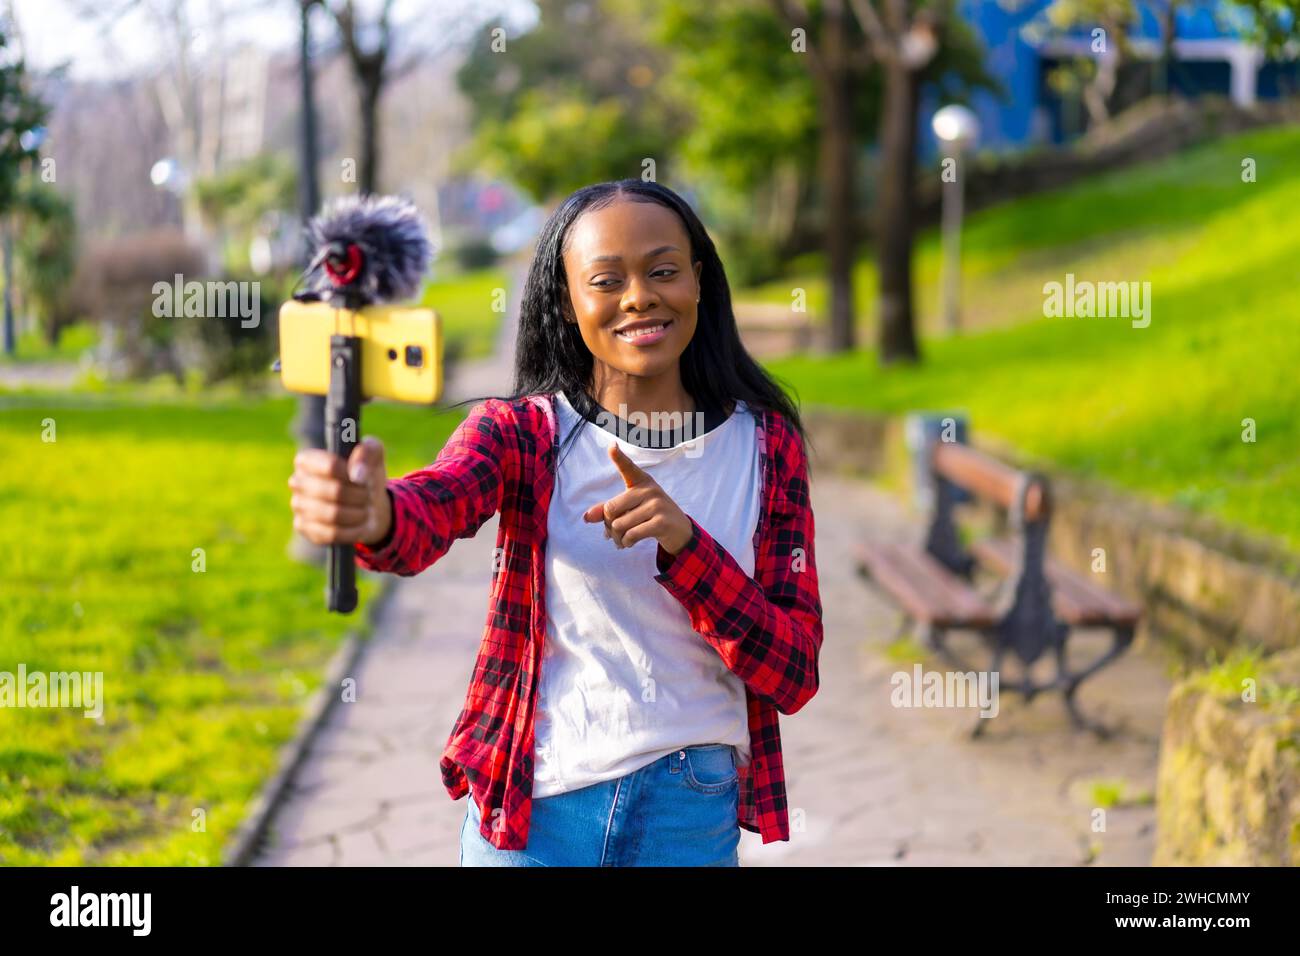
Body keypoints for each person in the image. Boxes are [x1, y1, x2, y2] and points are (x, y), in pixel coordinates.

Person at [288, 178, 823, 866]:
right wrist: (375, 514)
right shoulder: (523, 433)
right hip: (535, 809)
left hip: (689, 813)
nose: (638, 297)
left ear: (699, 280)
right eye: (606, 280)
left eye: (663, 270)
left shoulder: (766, 443)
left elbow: (794, 670)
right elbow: (433, 508)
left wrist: (688, 548)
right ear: (567, 304)